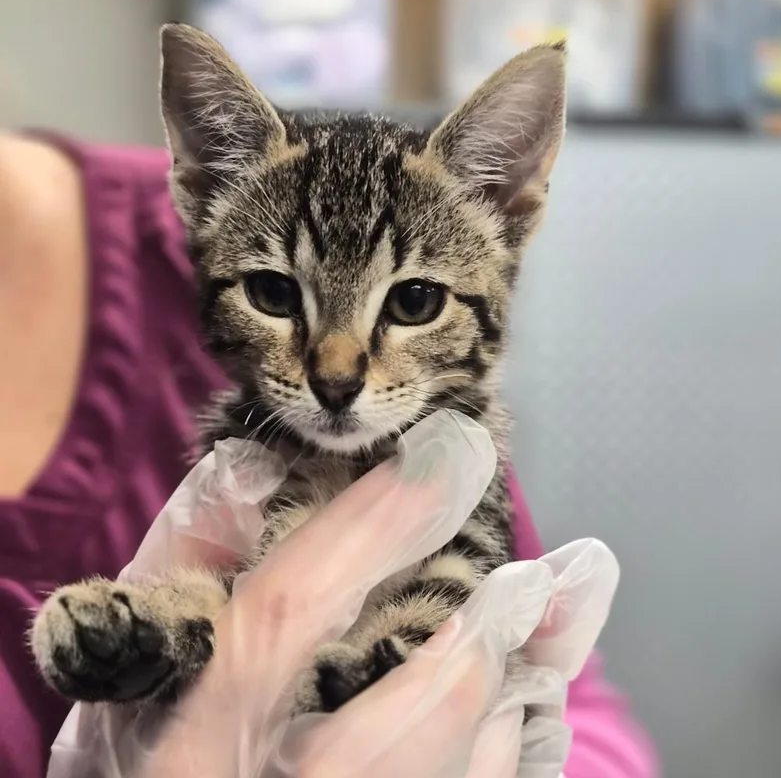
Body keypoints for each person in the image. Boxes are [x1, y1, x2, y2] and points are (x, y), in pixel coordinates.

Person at [0, 130, 659, 776]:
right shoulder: (240, 448)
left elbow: (526, 656)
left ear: (506, 204)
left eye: (413, 299)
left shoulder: (455, 449)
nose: (337, 371)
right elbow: (242, 606)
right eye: (277, 295)